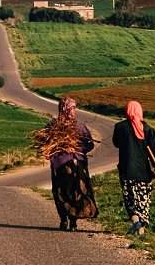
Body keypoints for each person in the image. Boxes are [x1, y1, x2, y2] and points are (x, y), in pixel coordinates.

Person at [112, 100, 155, 236]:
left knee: (130, 200)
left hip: (126, 171)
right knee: (142, 200)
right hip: (143, 173)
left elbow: (116, 144)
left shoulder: (120, 127)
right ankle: (141, 230)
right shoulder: (148, 130)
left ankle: (137, 224)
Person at [47, 97, 98, 231]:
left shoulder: (77, 126)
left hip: (74, 165)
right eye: (71, 108)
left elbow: (90, 144)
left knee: (72, 192)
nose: (73, 111)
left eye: (74, 108)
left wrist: (77, 150)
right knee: (63, 192)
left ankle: (71, 221)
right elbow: (47, 145)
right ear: (65, 109)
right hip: (62, 165)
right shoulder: (54, 126)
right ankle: (66, 220)